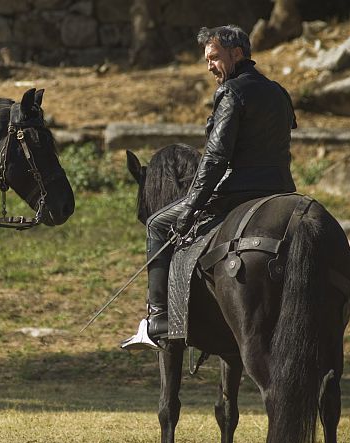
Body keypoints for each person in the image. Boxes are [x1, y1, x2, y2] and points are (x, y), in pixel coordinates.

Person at [121, 25, 297, 350]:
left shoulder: (231, 92)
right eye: (207, 60)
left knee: (159, 224)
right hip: (282, 190)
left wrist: (189, 208)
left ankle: (157, 317)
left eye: (214, 57)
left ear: (236, 54)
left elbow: (216, 157)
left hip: (238, 192)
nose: (210, 66)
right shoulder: (278, 92)